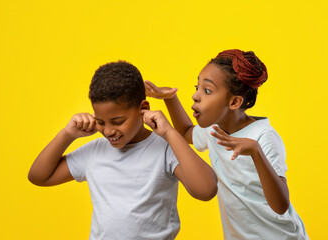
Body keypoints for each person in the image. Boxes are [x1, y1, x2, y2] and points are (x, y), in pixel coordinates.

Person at [28, 60, 218, 239]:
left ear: (143, 108)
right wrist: (67, 134)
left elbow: (206, 190)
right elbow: (38, 176)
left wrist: (169, 133)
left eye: (118, 122)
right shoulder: (95, 151)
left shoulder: (164, 148)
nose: (109, 131)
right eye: (101, 122)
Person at [145, 49, 308, 239]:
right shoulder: (213, 129)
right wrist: (170, 98)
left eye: (207, 90)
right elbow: (186, 133)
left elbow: (280, 206)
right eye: (196, 87)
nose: (195, 96)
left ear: (234, 102)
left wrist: (256, 152)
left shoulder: (264, 136)